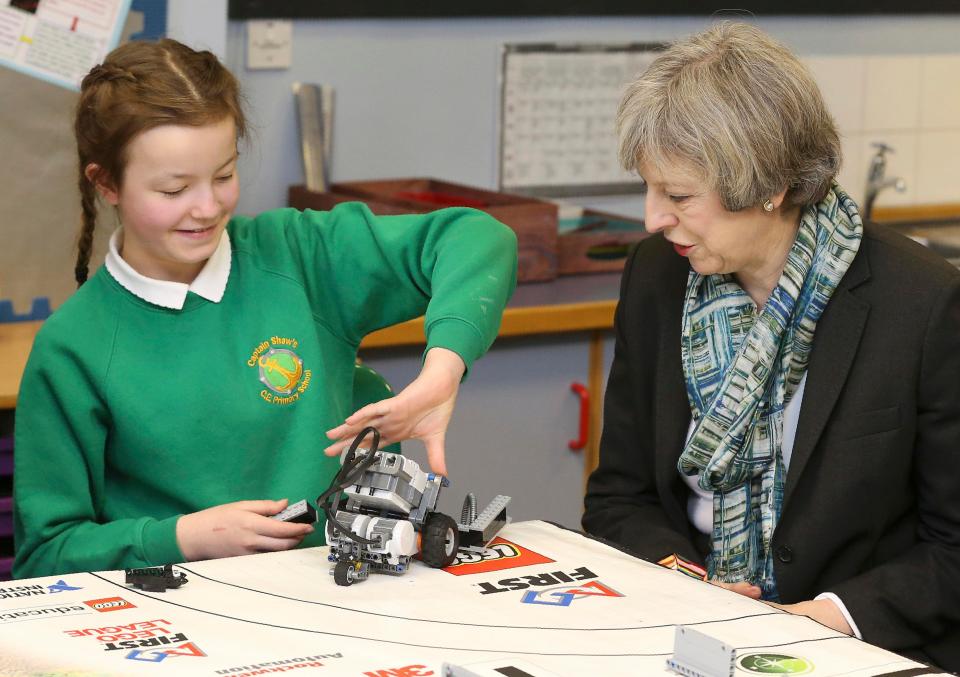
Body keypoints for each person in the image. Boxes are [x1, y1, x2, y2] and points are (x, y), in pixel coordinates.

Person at [13, 39, 517, 579]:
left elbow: (477, 237)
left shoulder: (297, 256)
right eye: (174, 189)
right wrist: (181, 537)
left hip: (332, 602)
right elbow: (47, 553)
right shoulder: (74, 347)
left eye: (224, 176)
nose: (207, 208)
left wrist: (443, 370)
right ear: (106, 182)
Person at [582, 22, 960, 669]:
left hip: (862, 647)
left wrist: (827, 616)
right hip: (689, 632)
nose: (652, 219)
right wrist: (679, 577)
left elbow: (952, 545)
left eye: (678, 196)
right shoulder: (657, 275)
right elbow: (619, 496)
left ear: (769, 187)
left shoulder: (922, 303)